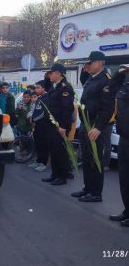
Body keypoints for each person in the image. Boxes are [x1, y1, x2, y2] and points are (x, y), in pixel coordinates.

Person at [71, 51, 114, 202]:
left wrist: (98, 127)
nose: (88, 66)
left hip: (95, 127)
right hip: (85, 124)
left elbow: (107, 108)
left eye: (90, 63)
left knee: (96, 160)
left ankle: (96, 193)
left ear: (100, 62)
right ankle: (88, 188)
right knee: (87, 157)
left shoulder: (106, 80)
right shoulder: (91, 78)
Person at [41, 63, 74, 186]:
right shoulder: (55, 86)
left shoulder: (65, 88)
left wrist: (63, 127)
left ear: (59, 73)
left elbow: (67, 109)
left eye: (52, 72)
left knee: (61, 152)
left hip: (60, 126)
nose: (50, 75)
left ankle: (62, 176)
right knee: (53, 151)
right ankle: (54, 174)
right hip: (51, 125)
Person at [109, 64, 129, 227]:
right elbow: (111, 87)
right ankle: (127, 211)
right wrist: (120, 73)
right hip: (124, 138)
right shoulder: (124, 86)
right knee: (124, 178)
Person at [30, 81, 50, 172]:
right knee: (38, 144)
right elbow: (36, 110)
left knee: (43, 145)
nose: (36, 89)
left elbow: (43, 113)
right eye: (35, 88)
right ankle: (38, 161)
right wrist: (32, 118)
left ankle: (44, 163)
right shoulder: (40, 98)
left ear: (43, 88)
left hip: (44, 126)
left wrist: (34, 120)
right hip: (37, 125)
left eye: (38, 88)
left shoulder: (46, 98)